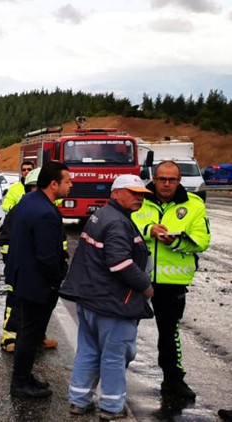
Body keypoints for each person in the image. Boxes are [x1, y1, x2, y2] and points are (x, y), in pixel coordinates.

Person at [60, 174, 155, 419]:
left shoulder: (103, 215)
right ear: (116, 193)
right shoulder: (117, 222)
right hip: (112, 303)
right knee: (115, 356)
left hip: (91, 299)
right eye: (133, 193)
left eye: (142, 195)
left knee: (88, 351)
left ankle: (79, 401)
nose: (139, 198)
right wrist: (145, 285)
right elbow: (120, 263)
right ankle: (112, 407)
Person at [131, 160, 211, 400]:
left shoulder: (194, 205)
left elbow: (202, 240)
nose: (166, 184)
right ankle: (112, 378)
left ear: (179, 181)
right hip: (136, 277)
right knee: (124, 330)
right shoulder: (138, 199)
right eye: (162, 179)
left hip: (172, 281)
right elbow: (123, 228)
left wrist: (175, 241)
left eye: (172, 179)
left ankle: (173, 380)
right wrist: (150, 231)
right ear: (154, 179)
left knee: (169, 333)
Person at [6, 161, 72, 398]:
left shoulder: (29, 201)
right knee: (30, 334)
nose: (71, 185)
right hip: (37, 284)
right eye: (67, 181)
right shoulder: (45, 212)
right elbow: (46, 256)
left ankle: (24, 376)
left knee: (26, 331)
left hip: (23, 278)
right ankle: (20, 382)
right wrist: (55, 280)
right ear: (54, 184)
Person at [0, 168, 59, 352]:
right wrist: (14, 265)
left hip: (37, 269)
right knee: (16, 302)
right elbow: (6, 241)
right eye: (34, 188)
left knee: (39, 306)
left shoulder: (49, 210)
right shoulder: (20, 210)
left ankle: (37, 337)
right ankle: (9, 337)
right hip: (20, 268)